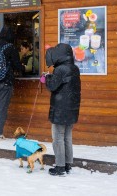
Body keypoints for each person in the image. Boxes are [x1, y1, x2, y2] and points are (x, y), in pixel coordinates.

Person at [43, 43, 81, 176]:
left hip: (60, 109)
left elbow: (53, 86)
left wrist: (46, 78)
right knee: (67, 137)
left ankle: (60, 167)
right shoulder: (75, 68)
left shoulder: (60, 70)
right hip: (72, 108)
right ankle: (67, 164)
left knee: (58, 137)